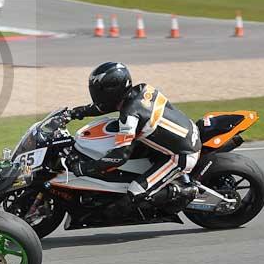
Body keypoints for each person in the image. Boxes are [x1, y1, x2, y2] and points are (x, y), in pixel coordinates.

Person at [69, 62, 201, 205]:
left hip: (181, 155)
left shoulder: (130, 117)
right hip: (187, 132)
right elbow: (107, 106)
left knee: (135, 192)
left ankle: (186, 191)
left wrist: (85, 168)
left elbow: (120, 156)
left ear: (110, 91)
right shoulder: (142, 89)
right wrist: (75, 113)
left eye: (98, 90)